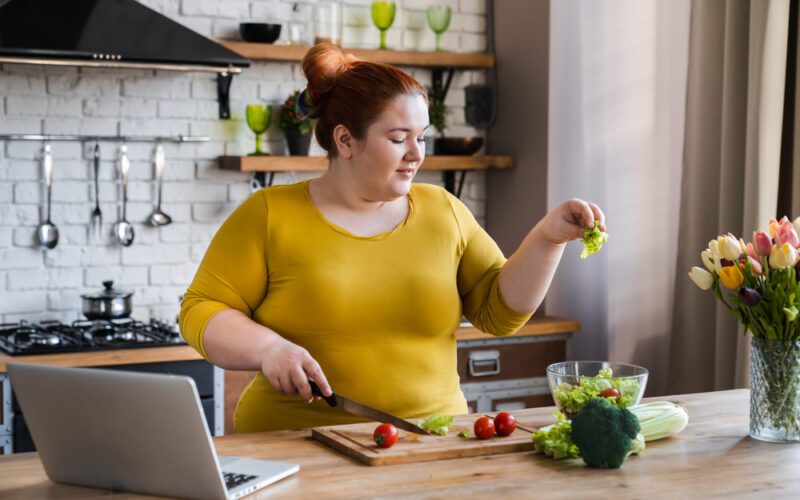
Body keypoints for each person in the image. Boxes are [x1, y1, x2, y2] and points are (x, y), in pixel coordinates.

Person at [180, 44, 606, 433]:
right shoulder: (270, 214)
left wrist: (548, 239)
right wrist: (268, 347)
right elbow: (201, 311)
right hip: (297, 443)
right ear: (345, 139)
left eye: (421, 138)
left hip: (433, 439)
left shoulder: (444, 210)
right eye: (399, 138)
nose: (416, 153)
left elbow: (499, 313)